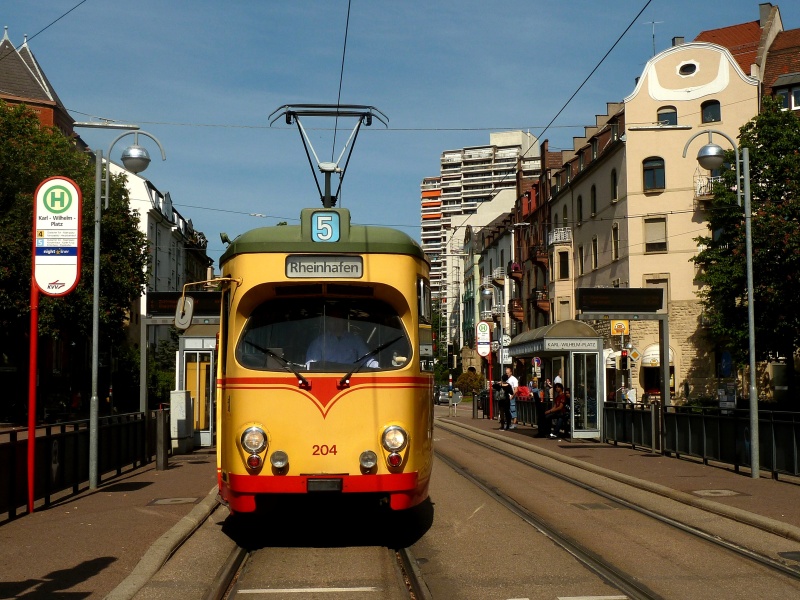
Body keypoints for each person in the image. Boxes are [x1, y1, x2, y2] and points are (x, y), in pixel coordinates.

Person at [306, 306, 378, 367]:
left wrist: (376, 368)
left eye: (339, 318)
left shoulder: (355, 340)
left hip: (352, 380)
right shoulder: (318, 342)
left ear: (344, 320)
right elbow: (311, 366)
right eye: (332, 319)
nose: (336, 321)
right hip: (327, 380)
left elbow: (368, 360)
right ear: (327, 321)